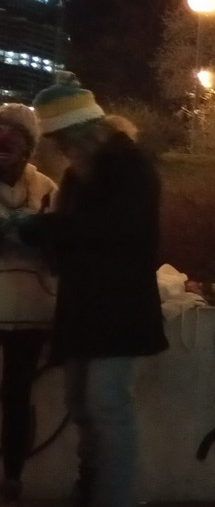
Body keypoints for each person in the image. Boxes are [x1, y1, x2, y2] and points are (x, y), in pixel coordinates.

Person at [24, 73, 168, 507]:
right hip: (85, 304)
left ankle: (115, 497)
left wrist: (46, 228)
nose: (61, 150)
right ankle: (92, 486)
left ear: (83, 132)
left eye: (64, 139)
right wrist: (47, 237)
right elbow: (75, 234)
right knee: (81, 404)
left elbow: (121, 231)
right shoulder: (79, 174)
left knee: (106, 402)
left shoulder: (131, 168)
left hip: (118, 306)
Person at [0, 104, 57, 503]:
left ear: (28, 146)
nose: (4, 144)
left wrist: (39, 237)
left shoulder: (49, 188)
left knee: (18, 396)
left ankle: (13, 474)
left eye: (13, 137)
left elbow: (62, 248)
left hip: (33, 309)